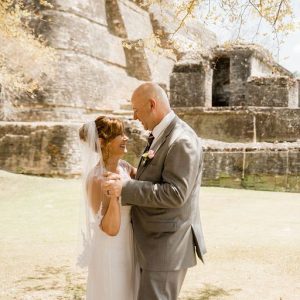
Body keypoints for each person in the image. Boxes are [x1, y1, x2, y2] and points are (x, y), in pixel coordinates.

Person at [104, 82, 207, 300]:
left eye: (136, 109)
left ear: (152, 104)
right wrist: (133, 174)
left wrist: (125, 188)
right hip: (153, 243)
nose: (134, 116)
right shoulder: (161, 134)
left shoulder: (182, 140)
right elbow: (160, 176)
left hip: (166, 246)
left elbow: (176, 193)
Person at [77, 116, 139, 300]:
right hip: (111, 251)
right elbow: (110, 229)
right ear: (102, 142)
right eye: (119, 134)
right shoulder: (96, 179)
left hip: (131, 246)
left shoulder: (125, 168)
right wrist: (115, 198)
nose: (126, 137)